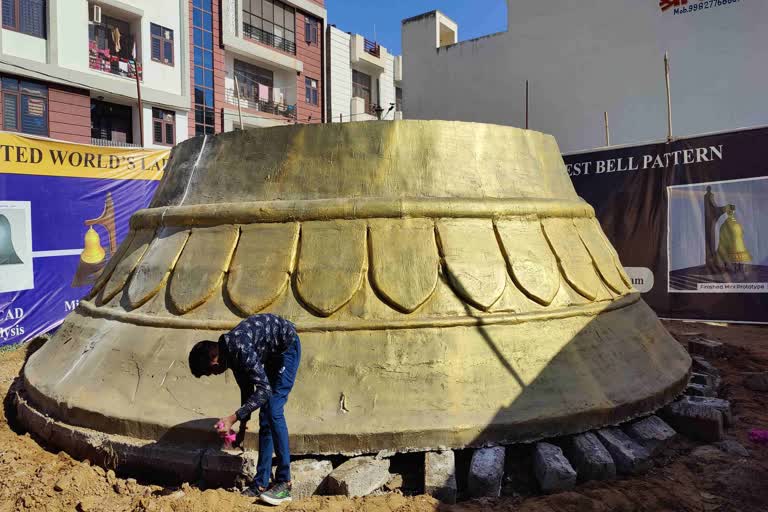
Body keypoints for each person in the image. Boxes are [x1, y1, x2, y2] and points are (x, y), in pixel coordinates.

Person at [188, 314, 301, 506]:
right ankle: (261, 484)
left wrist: (232, 418)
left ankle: (284, 483)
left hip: (287, 348)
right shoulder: (230, 355)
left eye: (210, 371)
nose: (214, 374)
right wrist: (242, 429)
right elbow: (248, 390)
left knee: (273, 409)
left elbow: (263, 390)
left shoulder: (239, 349)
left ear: (214, 359)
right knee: (265, 416)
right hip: (272, 355)